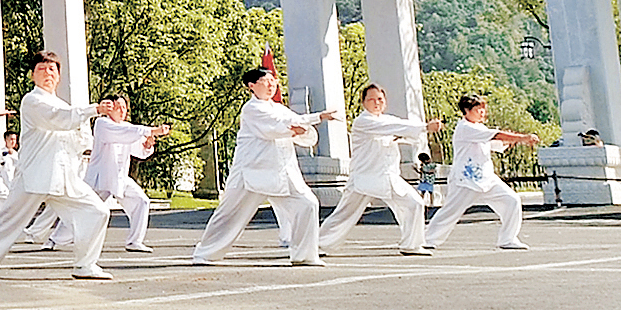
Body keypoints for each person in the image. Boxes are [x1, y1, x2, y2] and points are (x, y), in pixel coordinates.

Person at [0, 52, 121, 280]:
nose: (47, 73)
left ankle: (85, 265)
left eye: (52, 70)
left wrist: (83, 136)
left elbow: (77, 135)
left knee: (97, 211)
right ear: (32, 75)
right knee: (8, 220)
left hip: (62, 177)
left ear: (58, 76)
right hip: (34, 175)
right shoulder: (32, 100)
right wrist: (93, 110)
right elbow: (58, 118)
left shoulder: (63, 104)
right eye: (41, 69)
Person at [191, 67, 339, 268]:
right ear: (252, 86)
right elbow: (276, 126)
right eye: (266, 81)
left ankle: (304, 255)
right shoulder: (251, 109)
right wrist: (314, 118)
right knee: (229, 215)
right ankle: (205, 253)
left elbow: (293, 123)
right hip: (251, 173)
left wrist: (308, 124)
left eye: (273, 81)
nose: (271, 85)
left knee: (308, 204)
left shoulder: (279, 107)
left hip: (281, 172)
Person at [317, 83, 442, 256]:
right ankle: (319, 245)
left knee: (414, 204)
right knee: (345, 214)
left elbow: (400, 128)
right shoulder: (363, 121)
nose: (377, 103)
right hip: (364, 178)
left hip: (387, 177)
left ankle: (412, 245)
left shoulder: (386, 120)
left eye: (380, 99)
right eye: (372, 99)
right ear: (363, 103)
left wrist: (418, 130)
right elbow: (393, 128)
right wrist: (424, 127)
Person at [422, 95, 541, 251]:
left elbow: (496, 143)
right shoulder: (465, 127)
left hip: (487, 178)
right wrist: (522, 138)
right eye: (478, 109)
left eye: (483, 109)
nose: (482, 112)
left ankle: (508, 238)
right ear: (466, 110)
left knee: (511, 200)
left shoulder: (480, 128)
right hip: (466, 179)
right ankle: (428, 239)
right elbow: (496, 135)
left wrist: (514, 140)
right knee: (451, 211)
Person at [78, 96, 169, 253]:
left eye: (124, 108)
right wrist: (152, 130)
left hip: (119, 177)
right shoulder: (102, 124)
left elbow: (138, 151)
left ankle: (135, 241)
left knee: (142, 201)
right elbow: (124, 133)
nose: (122, 111)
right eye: (118, 107)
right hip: (100, 178)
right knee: (84, 209)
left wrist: (146, 145)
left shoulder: (127, 127)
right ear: (110, 108)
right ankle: (55, 239)